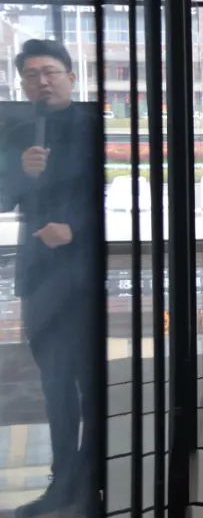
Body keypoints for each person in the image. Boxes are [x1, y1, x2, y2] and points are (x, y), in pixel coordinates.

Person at [1, 40, 101, 518]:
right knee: (56, 385)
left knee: (91, 384)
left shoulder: (93, 128)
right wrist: (22, 172)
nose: (42, 81)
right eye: (32, 74)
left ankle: (92, 480)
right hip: (39, 278)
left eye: (51, 72)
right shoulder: (18, 131)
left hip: (83, 276)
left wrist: (74, 228)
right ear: (22, 83)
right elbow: (3, 197)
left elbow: (108, 195)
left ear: (70, 76)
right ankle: (63, 483)